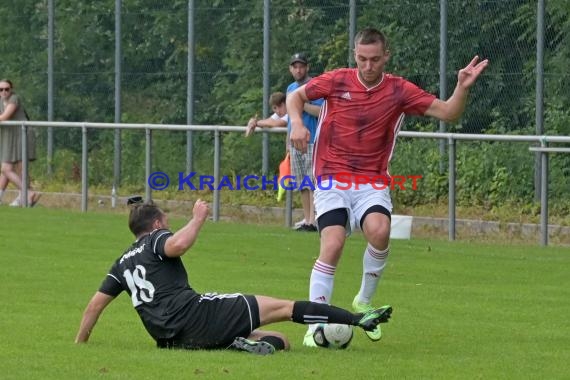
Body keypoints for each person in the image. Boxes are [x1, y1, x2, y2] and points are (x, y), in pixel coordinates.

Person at [287, 28, 488, 346]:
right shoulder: (337, 80)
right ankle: (316, 322)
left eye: (375, 59)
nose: (368, 66)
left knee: (380, 231)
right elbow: (295, 96)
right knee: (333, 243)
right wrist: (297, 123)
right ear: (355, 56)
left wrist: (462, 87)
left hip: (371, 179)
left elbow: (449, 113)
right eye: (362, 59)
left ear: (386, 57)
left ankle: (363, 301)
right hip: (330, 176)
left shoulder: (398, 90)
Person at [75, 198, 393, 355]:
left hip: (170, 339)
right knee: (285, 308)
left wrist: (79, 345)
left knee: (280, 342)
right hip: (198, 315)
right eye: (167, 220)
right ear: (157, 224)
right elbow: (178, 244)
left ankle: (237, 344)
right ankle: (355, 319)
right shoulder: (156, 240)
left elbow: (93, 307)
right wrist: (198, 218)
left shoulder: (121, 263)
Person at [286, 53, 323, 232]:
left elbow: (320, 111)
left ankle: (315, 218)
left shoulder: (315, 86)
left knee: (312, 182)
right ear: (291, 69)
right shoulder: (291, 88)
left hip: (312, 139)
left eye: (301, 66)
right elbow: (290, 119)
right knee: (302, 183)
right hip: (295, 142)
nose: (298, 70)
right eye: (295, 67)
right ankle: (307, 219)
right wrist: (288, 142)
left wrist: (300, 101)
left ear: (307, 67)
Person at [0, 79, 39, 207]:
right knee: (7, 168)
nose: (4, 92)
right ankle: (25, 194)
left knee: (18, 169)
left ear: (11, 89)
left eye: (7, 89)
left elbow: (4, 116)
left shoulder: (14, 99)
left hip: (22, 134)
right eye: (1, 90)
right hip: (9, 136)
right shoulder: (1, 101)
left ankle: (27, 193)